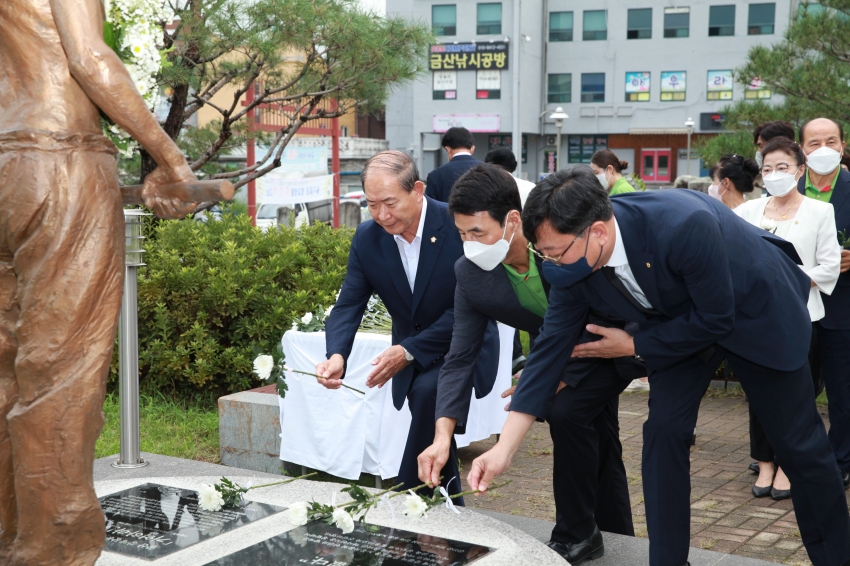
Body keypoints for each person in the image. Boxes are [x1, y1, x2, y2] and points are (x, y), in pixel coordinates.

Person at [465, 168, 850, 566]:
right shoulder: (570, 264)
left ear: (597, 232)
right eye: (543, 254)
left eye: (556, 252)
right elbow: (548, 353)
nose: (551, 264)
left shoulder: (683, 225)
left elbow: (716, 319)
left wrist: (634, 345)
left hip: (755, 312)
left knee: (799, 446)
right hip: (676, 327)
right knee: (663, 434)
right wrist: (504, 450)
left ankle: (836, 557)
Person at [0, 1, 198, 564]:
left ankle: (10, 534)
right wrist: (172, 162)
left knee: (6, 368)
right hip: (56, 158)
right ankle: (49, 551)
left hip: (5, 162)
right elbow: (88, 57)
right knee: (60, 371)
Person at [417, 164, 644, 564]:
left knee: (569, 412)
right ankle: (614, 540)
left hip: (607, 337)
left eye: (479, 233)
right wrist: (442, 437)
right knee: (597, 433)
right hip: (555, 350)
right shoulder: (471, 273)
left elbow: (596, 309)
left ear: (513, 220)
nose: (470, 244)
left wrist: (549, 376)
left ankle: (578, 532)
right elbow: (460, 357)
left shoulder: (555, 245)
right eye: (462, 234)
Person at [316, 150, 499, 504]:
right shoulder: (367, 238)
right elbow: (349, 303)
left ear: (416, 190)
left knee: (429, 393)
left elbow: (472, 308)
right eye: (371, 205)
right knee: (427, 406)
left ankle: (404, 499)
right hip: (411, 355)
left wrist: (410, 349)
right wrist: (336, 354)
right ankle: (442, 510)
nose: (382, 215)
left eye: (390, 203)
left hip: (464, 344)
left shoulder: (458, 226)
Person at [736, 136, 841, 500]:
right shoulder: (747, 212)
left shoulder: (819, 211)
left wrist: (786, 277)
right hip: (756, 319)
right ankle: (764, 462)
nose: (774, 175)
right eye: (767, 169)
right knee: (758, 392)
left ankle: (787, 464)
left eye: (783, 167)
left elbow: (829, 266)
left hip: (800, 315)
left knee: (799, 395)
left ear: (800, 170)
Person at [797, 117, 850, 490]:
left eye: (831, 141)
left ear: (843, 146)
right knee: (796, 388)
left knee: (842, 391)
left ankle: (841, 459)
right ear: (803, 149)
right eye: (814, 143)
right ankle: (799, 457)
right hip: (796, 307)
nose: (823, 149)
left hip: (842, 308)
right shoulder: (785, 189)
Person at [483, 147, 537, 370]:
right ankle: (535, 360)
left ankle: (514, 356)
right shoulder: (530, 187)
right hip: (533, 257)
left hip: (499, 258)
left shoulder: (486, 191)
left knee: (507, 313)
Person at [425, 127, 480, 202]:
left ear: (447, 149)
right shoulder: (490, 171)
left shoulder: (435, 176)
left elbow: (431, 207)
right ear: (472, 149)